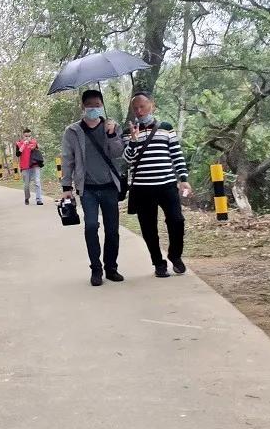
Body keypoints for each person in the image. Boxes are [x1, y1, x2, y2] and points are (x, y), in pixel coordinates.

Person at [60, 89, 126, 286]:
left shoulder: (111, 127)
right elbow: (67, 159)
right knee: (91, 226)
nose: (94, 109)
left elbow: (118, 153)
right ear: (83, 107)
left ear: (102, 106)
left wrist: (112, 134)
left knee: (112, 230)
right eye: (90, 106)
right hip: (87, 188)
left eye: (98, 105)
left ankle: (111, 267)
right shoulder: (72, 131)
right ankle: (96, 268)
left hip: (109, 188)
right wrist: (66, 185)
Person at [123, 91, 192, 277]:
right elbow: (128, 159)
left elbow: (176, 155)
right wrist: (133, 141)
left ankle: (175, 256)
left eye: (142, 106)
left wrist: (183, 179)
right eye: (135, 108)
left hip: (167, 184)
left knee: (177, 220)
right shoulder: (128, 132)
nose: (139, 110)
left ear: (151, 105)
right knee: (148, 227)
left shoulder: (166, 128)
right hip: (142, 188)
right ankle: (158, 263)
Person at [15, 129, 44, 205]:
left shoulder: (34, 142)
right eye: (26, 136)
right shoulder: (19, 144)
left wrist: (33, 146)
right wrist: (24, 145)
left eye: (29, 136)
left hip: (35, 165)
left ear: (31, 135)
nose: (27, 137)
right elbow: (18, 154)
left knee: (37, 182)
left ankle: (39, 199)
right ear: (23, 136)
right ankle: (27, 197)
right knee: (26, 185)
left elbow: (37, 151)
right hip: (25, 167)